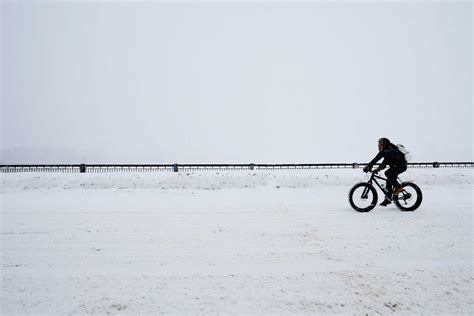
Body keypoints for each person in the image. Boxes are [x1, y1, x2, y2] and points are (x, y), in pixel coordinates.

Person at [363, 138, 407, 206]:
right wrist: (369, 166)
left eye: (380, 143)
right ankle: (388, 198)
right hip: (394, 166)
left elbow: (386, 162)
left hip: (401, 166)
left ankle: (398, 187)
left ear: (385, 144)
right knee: (389, 179)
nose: (379, 145)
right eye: (378, 143)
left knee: (388, 173)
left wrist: (378, 169)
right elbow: (376, 159)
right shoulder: (383, 151)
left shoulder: (391, 150)